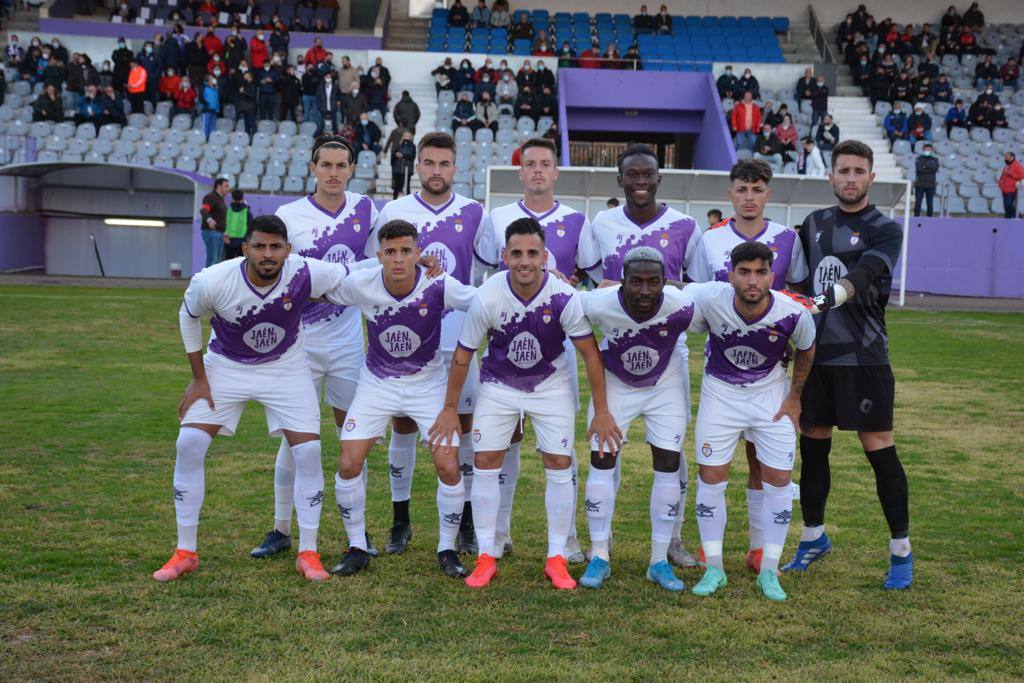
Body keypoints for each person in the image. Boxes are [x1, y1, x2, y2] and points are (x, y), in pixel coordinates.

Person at [152, 215, 365, 583]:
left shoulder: (304, 273)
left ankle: (308, 552)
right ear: (245, 247)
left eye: (276, 246)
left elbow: (357, 272)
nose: (268, 254)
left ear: (288, 249)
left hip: (286, 368)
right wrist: (199, 378)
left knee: (309, 452)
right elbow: (188, 317)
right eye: (260, 246)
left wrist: (413, 264)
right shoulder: (214, 280)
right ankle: (185, 551)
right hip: (226, 366)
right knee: (188, 443)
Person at [430, 216, 619, 590]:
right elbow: (464, 355)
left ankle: (556, 558)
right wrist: (450, 409)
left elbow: (591, 356)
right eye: (516, 253)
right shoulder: (488, 294)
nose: (525, 261)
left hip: (551, 384)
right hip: (499, 385)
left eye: (533, 253)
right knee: (485, 461)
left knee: (558, 463)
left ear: (545, 255)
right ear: (504, 256)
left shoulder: (564, 297)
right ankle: (486, 555)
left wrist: (602, 411)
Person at [785, 139, 913, 591]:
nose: (851, 178)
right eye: (844, 170)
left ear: (871, 177)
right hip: (816, 358)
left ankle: (901, 552)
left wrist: (829, 297)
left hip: (865, 358)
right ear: (831, 176)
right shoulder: (813, 224)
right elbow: (795, 284)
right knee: (813, 447)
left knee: (880, 450)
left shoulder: (885, 228)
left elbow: (862, 277)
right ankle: (813, 538)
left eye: (860, 171)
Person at [251, 136, 381, 560]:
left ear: (351, 169)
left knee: (352, 438)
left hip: (347, 345)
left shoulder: (366, 210)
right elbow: (281, 273)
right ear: (313, 168)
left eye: (342, 165)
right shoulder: (289, 216)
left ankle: (356, 536)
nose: (334, 173)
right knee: (294, 441)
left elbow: (380, 260)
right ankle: (280, 528)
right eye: (326, 165)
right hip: (298, 346)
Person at [579, 144, 703, 568]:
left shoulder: (686, 226)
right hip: (617, 347)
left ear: (659, 177)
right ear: (620, 180)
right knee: (606, 446)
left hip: (669, 352)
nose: (640, 182)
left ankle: (672, 541)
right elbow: (593, 283)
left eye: (647, 174)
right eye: (631, 175)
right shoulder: (602, 222)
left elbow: (697, 288)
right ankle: (602, 542)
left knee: (672, 450)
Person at [330, 220, 476, 579]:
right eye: (391, 252)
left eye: (406, 251)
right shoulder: (361, 283)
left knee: (448, 465)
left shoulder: (438, 284)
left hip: (427, 384)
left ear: (419, 253)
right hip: (376, 384)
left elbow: (481, 301)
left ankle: (446, 547)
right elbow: (318, 285)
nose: (398, 259)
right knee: (348, 463)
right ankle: (356, 547)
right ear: (379, 255)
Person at [372, 132, 493, 556]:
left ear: (455, 169)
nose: (436, 171)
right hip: (407, 342)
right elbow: (380, 268)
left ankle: (466, 524)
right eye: (429, 163)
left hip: (459, 340)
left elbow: (490, 270)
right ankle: (400, 520)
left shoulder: (475, 212)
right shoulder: (394, 209)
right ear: (416, 165)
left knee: (464, 430)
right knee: (403, 426)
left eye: (444, 164)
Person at [687, 160, 808, 573]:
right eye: (742, 189)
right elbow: (702, 298)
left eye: (758, 189)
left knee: (762, 460)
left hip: (771, 371)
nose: (750, 196)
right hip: (723, 370)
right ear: (731, 194)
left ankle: (759, 547)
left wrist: (785, 344)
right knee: (715, 463)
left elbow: (797, 298)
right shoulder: (710, 240)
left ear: (768, 194)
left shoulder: (788, 238)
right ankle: (711, 549)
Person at [476, 138, 591, 561]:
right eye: (531, 165)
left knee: (560, 447)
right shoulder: (498, 217)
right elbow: (488, 278)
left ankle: (570, 537)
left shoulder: (578, 220)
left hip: (555, 351)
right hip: (507, 351)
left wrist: (563, 287)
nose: (538, 171)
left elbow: (588, 278)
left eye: (546, 164)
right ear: (520, 172)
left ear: (556, 172)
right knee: (505, 441)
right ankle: (500, 532)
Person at [576, 247, 699, 591]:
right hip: (617, 383)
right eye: (636, 282)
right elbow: (565, 305)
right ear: (622, 282)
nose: (645, 290)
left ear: (665, 282)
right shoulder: (598, 302)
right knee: (602, 459)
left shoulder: (681, 302)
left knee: (668, 463)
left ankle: (659, 561)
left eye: (653, 282)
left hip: (665, 385)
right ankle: (600, 553)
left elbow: (722, 307)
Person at [199, 178, 230, 267]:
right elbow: (203, 210)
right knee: (213, 259)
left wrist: (223, 231)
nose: (228, 188)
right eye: (226, 186)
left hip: (218, 233)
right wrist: (209, 220)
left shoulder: (220, 199)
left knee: (217, 260)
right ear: (219, 186)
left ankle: (214, 280)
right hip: (211, 232)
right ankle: (207, 280)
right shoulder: (211, 197)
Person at [223, 189, 253, 260]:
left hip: (228, 240)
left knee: (228, 263)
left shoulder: (227, 210)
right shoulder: (247, 211)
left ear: (232, 198)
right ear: (242, 198)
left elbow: (222, 223)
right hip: (242, 241)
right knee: (242, 262)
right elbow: (251, 226)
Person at [913, 144, 939, 218]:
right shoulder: (919, 158)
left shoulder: (935, 159)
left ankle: (929, 218)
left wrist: (925, 166)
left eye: (928, 149)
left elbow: (935, 168)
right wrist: (929, 167)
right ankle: (916, 218)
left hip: (931, 185)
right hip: (919, 184)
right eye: (925, 149)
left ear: (931, 150)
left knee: (930, 203)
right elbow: (919, 169)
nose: (927, 151)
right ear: (923, 150)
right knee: (918, 203)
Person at [390, 130, 416, 199]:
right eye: (405, 136)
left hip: (407, 168)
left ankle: (407, 200)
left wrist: (403, 155)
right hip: (398, 168)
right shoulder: (399, 145)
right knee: (396, 186)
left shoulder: (412, 146)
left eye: (407, 136)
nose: (406, 138)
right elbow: (394, 154)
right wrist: (396, 154)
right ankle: (394, 199)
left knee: (407, 186)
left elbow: (412, 156)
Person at [998, 152, 1024, 219]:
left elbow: (1022, 176)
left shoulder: (1017, 165)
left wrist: (1011, 174)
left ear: (1012, 157)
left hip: (1012, 190)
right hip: (1004, 190)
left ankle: (1018, 217)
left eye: (1007, 157)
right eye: (1005, 157)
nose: (1005, 158)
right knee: (1006, 207)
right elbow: (1003, 176)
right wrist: (1000, 183)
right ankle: (1007, 222)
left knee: (1008, 205)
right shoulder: (1007, 166)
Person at [200, 75, 219, 140]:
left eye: (213, 78)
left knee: (212, 125)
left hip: (213, 110)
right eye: (211, 78)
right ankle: (204, 138)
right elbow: (201, 98)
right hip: (206, 109)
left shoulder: (215, 88)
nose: (213, 79)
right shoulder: (204, 87)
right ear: (208, 80)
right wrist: (206, 104)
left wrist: (217, 108)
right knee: (205, 125)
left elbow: (216, 99)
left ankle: (211, 138)